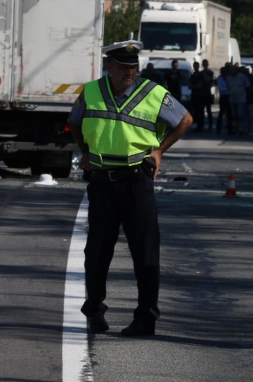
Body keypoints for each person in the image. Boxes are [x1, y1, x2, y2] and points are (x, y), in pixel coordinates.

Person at [69, 39, 193, 337]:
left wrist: (159, 151)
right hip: (102, 182)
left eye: (133, 67)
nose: (129, 71)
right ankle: (94, 312)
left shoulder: (153, 93)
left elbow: (185, 119)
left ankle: (145, 319)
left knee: (145, 254)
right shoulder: (91, 91)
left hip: (137, 181)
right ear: (108, 66)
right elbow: (74, 122)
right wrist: (84, 151)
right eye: (123, 67)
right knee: (96, 253)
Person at [226, 64, 250, 135]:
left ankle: (241, 129)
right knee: (234, 114)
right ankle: (236, 128)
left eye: (233, 70)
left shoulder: (242, 77)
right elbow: (228, 87)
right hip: (232, 99)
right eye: (231, 70)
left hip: (241, 99)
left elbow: (248, 87)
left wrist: (245, 95)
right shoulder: (229, 78)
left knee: (240, 114)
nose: (232, 71)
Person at [216, 64, 232, 134]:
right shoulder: (219, 79)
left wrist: (229, 89)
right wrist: (228, 89)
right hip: (223, 97)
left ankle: (230, 129)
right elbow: (221, 89)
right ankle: (218, 129)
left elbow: (232, 87)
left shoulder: (229, 78)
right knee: (221, 113)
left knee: (230, 113)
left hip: (229, 96)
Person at [190, 61, 205, 131]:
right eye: (195, 66)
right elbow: (190, 86)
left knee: (200, 111)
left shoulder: (201, 75)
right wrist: (195, 86)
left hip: (200, 95)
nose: (196, 67)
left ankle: (200, 126)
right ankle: (198, 126)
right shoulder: (192, 75)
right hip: (194, 95)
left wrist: (194, 86)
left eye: (197, 66)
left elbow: (200, 85)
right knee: (195, 111)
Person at [200, 59, 214, 131]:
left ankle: (210, 125)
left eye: (206, 64)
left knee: (209, 110)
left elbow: (206, 80)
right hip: (202, 93)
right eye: (204, 64)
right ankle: (201, 125)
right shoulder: (200, 73)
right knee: (201, 110)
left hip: (208, 93)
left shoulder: (210, 72)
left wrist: (204, 73)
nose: (205, 65)